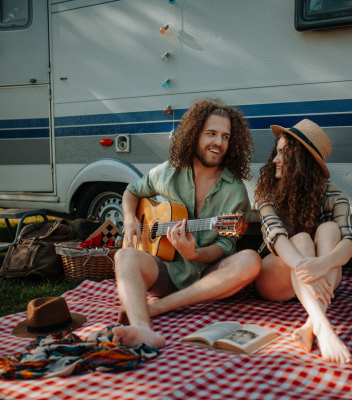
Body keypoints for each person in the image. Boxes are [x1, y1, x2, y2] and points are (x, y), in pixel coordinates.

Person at [111, 99, 262, 349]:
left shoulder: (235, 191)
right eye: (211, 133)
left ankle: (157, 308)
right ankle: (141, 327)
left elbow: (226, 244)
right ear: (194, 135)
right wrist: (130, 220)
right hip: (165, 270)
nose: (219, 142)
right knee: (125, 256)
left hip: (209, 278)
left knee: (250, 261)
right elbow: (132, 191)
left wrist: (196, 253)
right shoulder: (169, 172)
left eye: (225, 136)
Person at [253, 119, 352, 364]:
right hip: (277, 278)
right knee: (300, 239)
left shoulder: (334, 196)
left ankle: (312, 325)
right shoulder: (267, 194)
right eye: (276, 152)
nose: (274, 160)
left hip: (320, 277)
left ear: (301, 160)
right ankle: (323, 326)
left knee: (331, 229)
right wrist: (310, 268)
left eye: (282, 154)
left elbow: (350, 243)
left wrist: (322, 264)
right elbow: (277, 238)